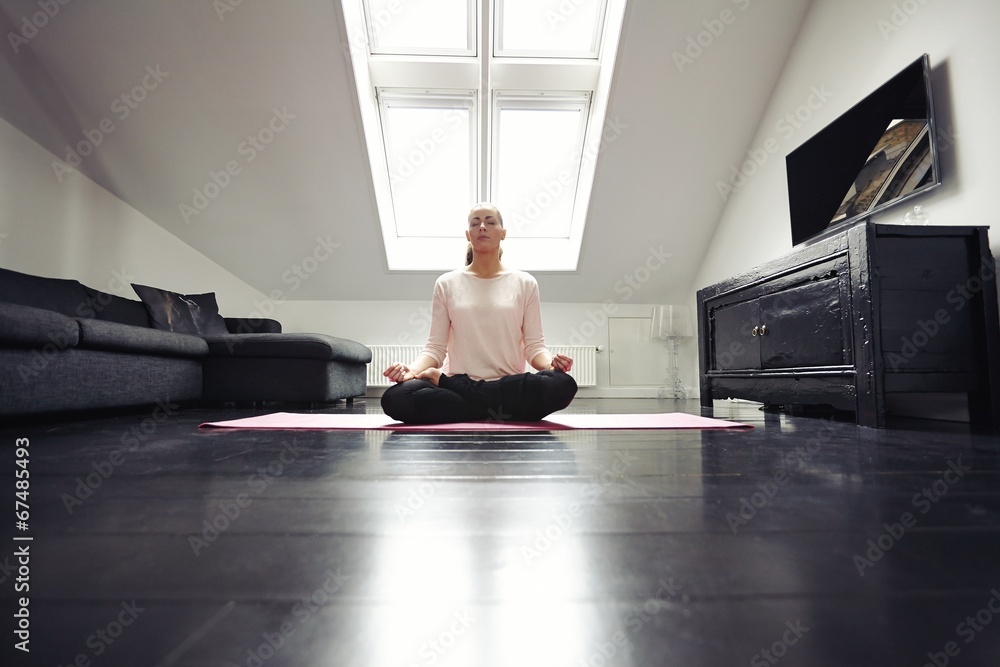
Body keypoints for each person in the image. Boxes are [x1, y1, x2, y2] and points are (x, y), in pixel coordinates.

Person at [381, 203, 578, 424]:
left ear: (503, 233)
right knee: (395, 398)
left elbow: (534, 346)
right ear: (468, 234)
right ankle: (499, 410)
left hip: (500, 383)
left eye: (490, 222)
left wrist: (551, 365)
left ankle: (467, 403)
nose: (482, 227)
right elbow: (435, 348)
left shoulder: (525, 283)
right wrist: (412, 370)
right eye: (475, 223)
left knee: (562, 384)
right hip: (491, 391)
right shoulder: (446, 283)